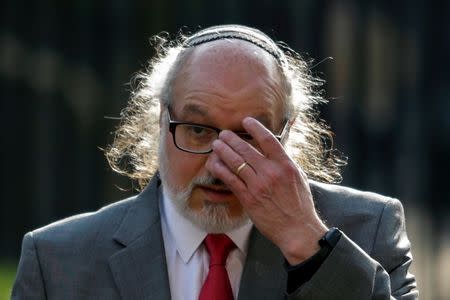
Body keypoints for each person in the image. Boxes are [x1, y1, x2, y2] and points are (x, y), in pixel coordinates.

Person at [12, 24, 418, 299]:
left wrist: (309, 246)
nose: (222, 163)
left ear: (286, 134)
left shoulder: (370, 231)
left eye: (247, 136)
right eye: (199, 130)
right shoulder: (57, 260)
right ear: (161, 120)